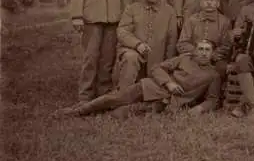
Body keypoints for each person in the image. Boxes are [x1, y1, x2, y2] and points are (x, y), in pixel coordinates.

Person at [55, 40, 222, 117]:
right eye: (200, 49)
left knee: (118, 115)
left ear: (213, 53)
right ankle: (78, 111)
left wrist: (199, 110)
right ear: (195, 50)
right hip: (151, 87)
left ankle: (97, 113)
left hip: (166, 103)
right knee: (115, 98)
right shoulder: (184, 58)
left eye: (207, 50)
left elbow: (213, 100)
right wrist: (169, 82)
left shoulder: (213, 75)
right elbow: (157, 68)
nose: (203, 52)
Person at [113, 0, 178, 92]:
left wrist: (168, 66)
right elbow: (122, 32)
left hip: (156, 59)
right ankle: (122, 95)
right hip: (134, 52)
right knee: (130, 57)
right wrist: (138, 44)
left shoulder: (169, 11)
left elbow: (171, 41)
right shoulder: (132, 9)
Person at [177, 0, 232, 99]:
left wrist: (210, 55)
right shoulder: (192, 20)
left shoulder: (225, 22)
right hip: (193, 57)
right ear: (201, 3)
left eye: (212, 0)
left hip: (215, 58)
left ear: (217, 3)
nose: (209, 2)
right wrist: (196, 53)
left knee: (220, 68)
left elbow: (227, 45)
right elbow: (182, 43)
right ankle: (186, 96)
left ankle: (214, 97)